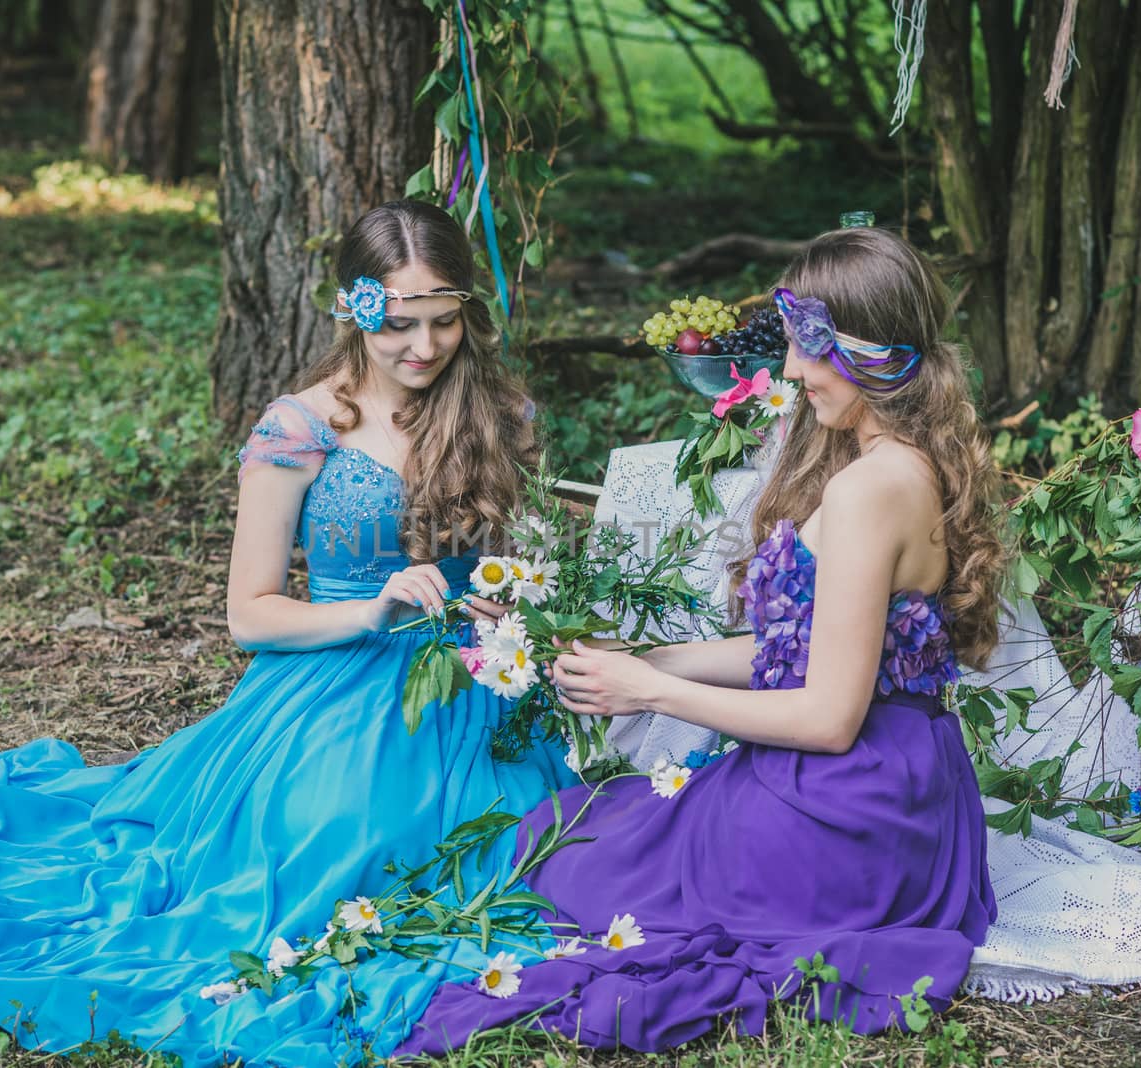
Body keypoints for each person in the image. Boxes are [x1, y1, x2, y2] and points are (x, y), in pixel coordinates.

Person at [0, 200, 574, 1066]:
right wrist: (370, 611)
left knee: (535, 841)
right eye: (399, 326)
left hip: (477, 682)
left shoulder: (498, 411)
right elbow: (249, 611)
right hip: (335, 679)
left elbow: (510, 558)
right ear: (354, 311)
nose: (424, 348)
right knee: (346, 838)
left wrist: (514, 603)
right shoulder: (303, 426)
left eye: (442, 323)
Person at [399, 226, 1007, 1053]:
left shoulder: (871, 488)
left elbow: (829, 715)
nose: (791, 372)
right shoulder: (900, 463)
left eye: (805, 350)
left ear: (864, 353)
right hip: (892, 785)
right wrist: (634, 659)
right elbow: (797, 652)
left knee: (576, 859)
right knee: (591, 829)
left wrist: (652, 693)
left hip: (847, 808)